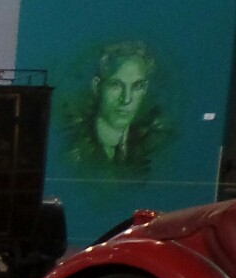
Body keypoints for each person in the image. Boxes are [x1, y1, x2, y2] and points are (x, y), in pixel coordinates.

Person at [66, 42, 169, 178]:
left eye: (137, 86)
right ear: (97, 87)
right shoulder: (72, 149)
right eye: (116, 85)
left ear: (145, 89)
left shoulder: (154, 148)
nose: (126, 99)